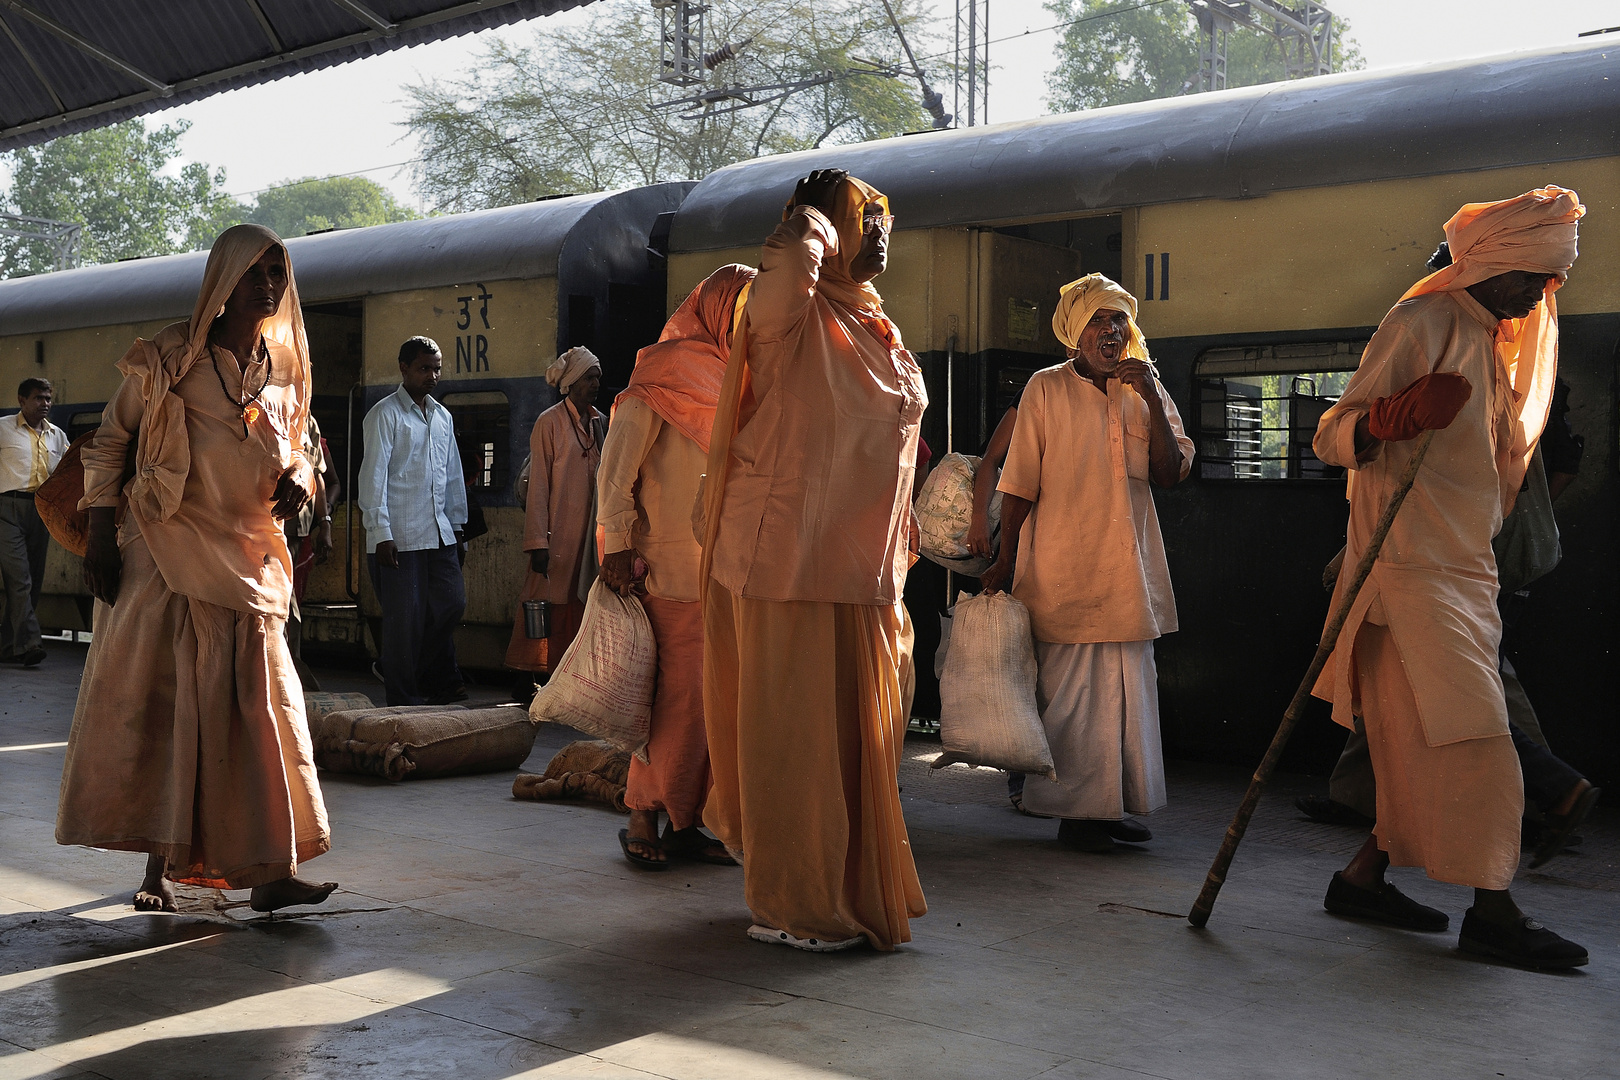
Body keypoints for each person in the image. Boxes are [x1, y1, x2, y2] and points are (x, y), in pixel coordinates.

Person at [1309, 186, 1588, 970]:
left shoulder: (1495, 342)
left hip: (1466, 573)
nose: (1542, 293)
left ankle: (1361, 881)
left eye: (1549, 281)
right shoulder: (1421, 323)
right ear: (1495, 264)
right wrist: (1391, 418)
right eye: (1535, 276)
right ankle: (1495, 914)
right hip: (1405, 575)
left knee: (1408, 749)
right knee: (1482, 747)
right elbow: (1333, 435)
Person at [56, 224, 335, 913]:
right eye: (255, 273)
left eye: (278, 272)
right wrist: (97, 533)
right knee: (172, 710)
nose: (269, 286)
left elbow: (304, 446)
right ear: (223, 280)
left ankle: (269, 872)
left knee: (258, 715)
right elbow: (110, 443)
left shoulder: (285, 371)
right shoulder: (169, 361)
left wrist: (301, 474)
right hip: (165, 552)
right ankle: (156, 872)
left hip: (249, 560)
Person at [701, 168, 928, 952]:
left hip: (863, 572)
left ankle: (852, 890)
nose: (883, 234)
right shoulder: (788, 312)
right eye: (868, 218)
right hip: (787, 564)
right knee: (797, 749)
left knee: (862, 746)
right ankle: (796, 904)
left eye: (888, 220)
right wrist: (808, 222)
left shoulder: (873, 326)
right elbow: (781, 283)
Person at [980, 275, 1194, 852]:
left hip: (1130, 576)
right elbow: (1019, 481)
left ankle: (1109, 808)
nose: (1112, 331)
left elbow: (1173, 473)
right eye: (1100, 320)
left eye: (1120, 321)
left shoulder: (1143, 387)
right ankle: (1078, 816)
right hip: (1062, 569)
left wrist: (1149, 395)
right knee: (1073, 700)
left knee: (1129, 693)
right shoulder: (1044, 388)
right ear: (1076, 331)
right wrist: (1004, 561)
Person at [600, 264, 755, 869]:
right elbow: (619, 466)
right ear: (715, 309)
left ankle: (692, 822)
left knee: (718, 699)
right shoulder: (660, 374)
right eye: (740, 309)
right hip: (665, 565)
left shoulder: (748, 376)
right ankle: (643, 812)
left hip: (730, 567)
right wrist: (616, 546)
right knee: (671, 699)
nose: (750, 322)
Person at [359, 337, 469, 706]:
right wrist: (380, 533)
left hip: (439, 532)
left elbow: (451, 475)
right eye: (424, 368)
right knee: (403, 621)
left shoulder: (442, 416)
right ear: (404, 368)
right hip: (399, 537)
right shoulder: (384, 415)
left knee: (452, 603)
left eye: (437, 368)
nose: (433, 376)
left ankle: (409, 669)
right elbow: (372, 478)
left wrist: (458, 527)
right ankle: (403, 696)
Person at [505, 346, 605, 679]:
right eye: (589, 378)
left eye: (597, 378)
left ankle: (571, 683)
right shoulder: (549, 423)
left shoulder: (600, 423)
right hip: (556, 539)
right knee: (549, 607)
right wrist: (537, 543)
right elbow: (539, 489)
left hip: (588, 541)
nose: (595, 384)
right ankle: (535, 680)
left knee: (580, 607)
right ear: (573, 381)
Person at [0, 377, 68, 667]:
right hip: (7, 509)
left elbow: (67, 472)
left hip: (42, 510)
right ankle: (30, 643)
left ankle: (7, 646)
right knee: (20, 578)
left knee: (33, 581)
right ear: (22, 400)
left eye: (49, 398)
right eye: (39, 398)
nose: (45, 404)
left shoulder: (57, 436)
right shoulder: (3, 429)